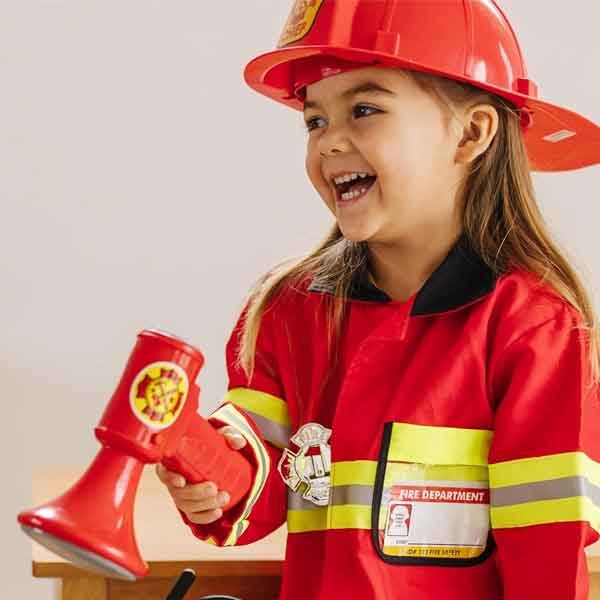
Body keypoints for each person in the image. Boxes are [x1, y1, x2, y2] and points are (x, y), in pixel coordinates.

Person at [156, 1, 600, 598]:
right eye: (314, 121)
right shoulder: (289, 313)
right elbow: (259, 489)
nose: (330, 142)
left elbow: (546, 552)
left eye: (364, 110)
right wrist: (208, 476)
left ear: (471, 134)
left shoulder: (536, 331)